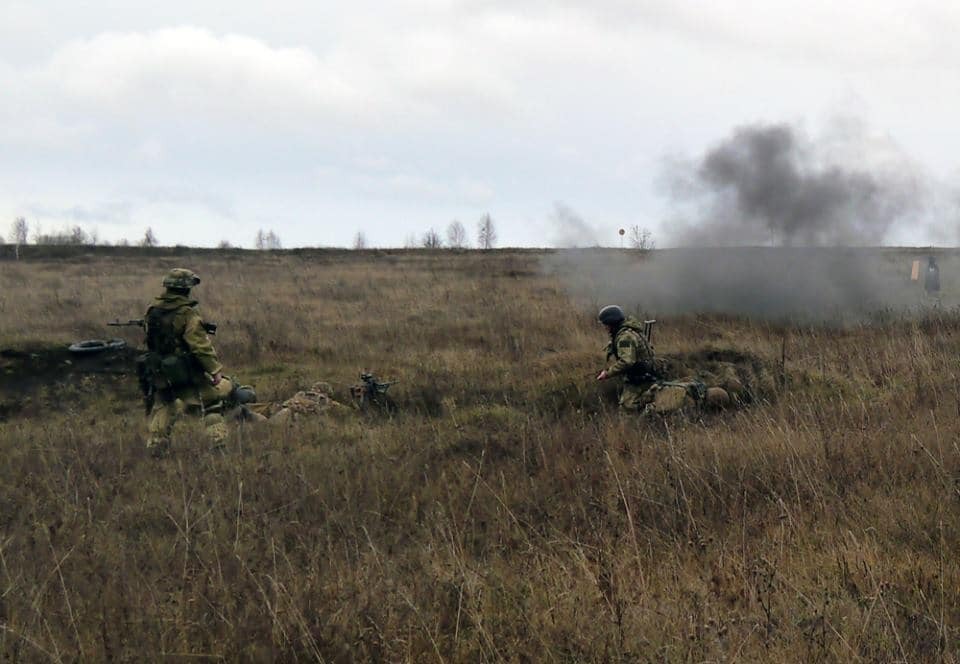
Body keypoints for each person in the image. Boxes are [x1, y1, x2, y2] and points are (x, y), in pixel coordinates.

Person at [143, 268, 233, 456]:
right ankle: (219, 447)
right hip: (184, 369)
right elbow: (200, 345)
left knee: (164, 404)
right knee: (211, 403)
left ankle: (156, 447)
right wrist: (215, 370)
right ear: (186, 289)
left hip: (159, 368)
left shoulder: (152, 310)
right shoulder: (187, 313)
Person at [596, 305, 657, 411]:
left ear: (612, 323)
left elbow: (627, 361)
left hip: (640, 377)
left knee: (627, 408)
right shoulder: (630, 331)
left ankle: (647, 411)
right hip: (645, 372)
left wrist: (607, 373)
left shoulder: (625, 337)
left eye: (606, 324)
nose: (605, 328)